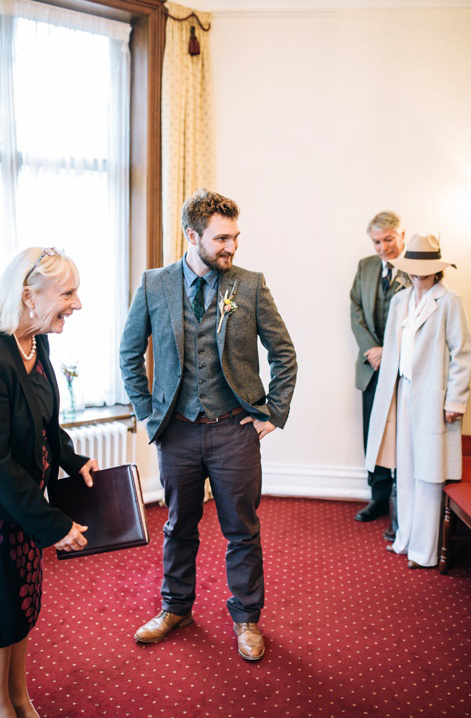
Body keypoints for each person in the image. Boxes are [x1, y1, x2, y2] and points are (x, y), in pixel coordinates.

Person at [119, 189, 297, 661]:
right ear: (192, 235)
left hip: (233, 429)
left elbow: (284, 354)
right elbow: (128, 351)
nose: (231, 247)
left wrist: (271, 413)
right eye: (221, 239)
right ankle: (175, 607)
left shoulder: (251, 285)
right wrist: (146, 410)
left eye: (235, 238)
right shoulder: (155, 284)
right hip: (176, 430)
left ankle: (246, 618)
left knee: (242, 529)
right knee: (179, 525)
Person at [0, 247, 97, 717]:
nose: (77, 304)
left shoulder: (38, 346)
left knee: (19, 611)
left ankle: (18, 696)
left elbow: (45, 421)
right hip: (4, 511)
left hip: (21, 513)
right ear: (28, 296)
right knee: (1, 615)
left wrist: (71, 459)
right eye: (68, 293)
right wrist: (53, 524)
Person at [365, 234, 471, 569]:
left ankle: (424, 552)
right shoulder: (400, 301)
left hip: (434, 397)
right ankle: (405, 539)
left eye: (423, 271)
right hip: (402, 393)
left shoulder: (449, 301)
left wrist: (454, 401)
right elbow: (394, 351)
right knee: (405, 470)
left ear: (436, 270)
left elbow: (464, 355)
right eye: (412, 270)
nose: (417, 276)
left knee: (429, 473)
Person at [350, 211, 407, 532]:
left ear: (401, 235)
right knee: (374, 432)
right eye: (377, 242)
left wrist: (392, 352)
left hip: (406, 368)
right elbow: (355, 310)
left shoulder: (419, 266)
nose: (383, 247)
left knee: (402, 433)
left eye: (388, 239)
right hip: (372, 367)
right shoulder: (365, 267)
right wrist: (373, 350)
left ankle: (403, 497)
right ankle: (379, 495)